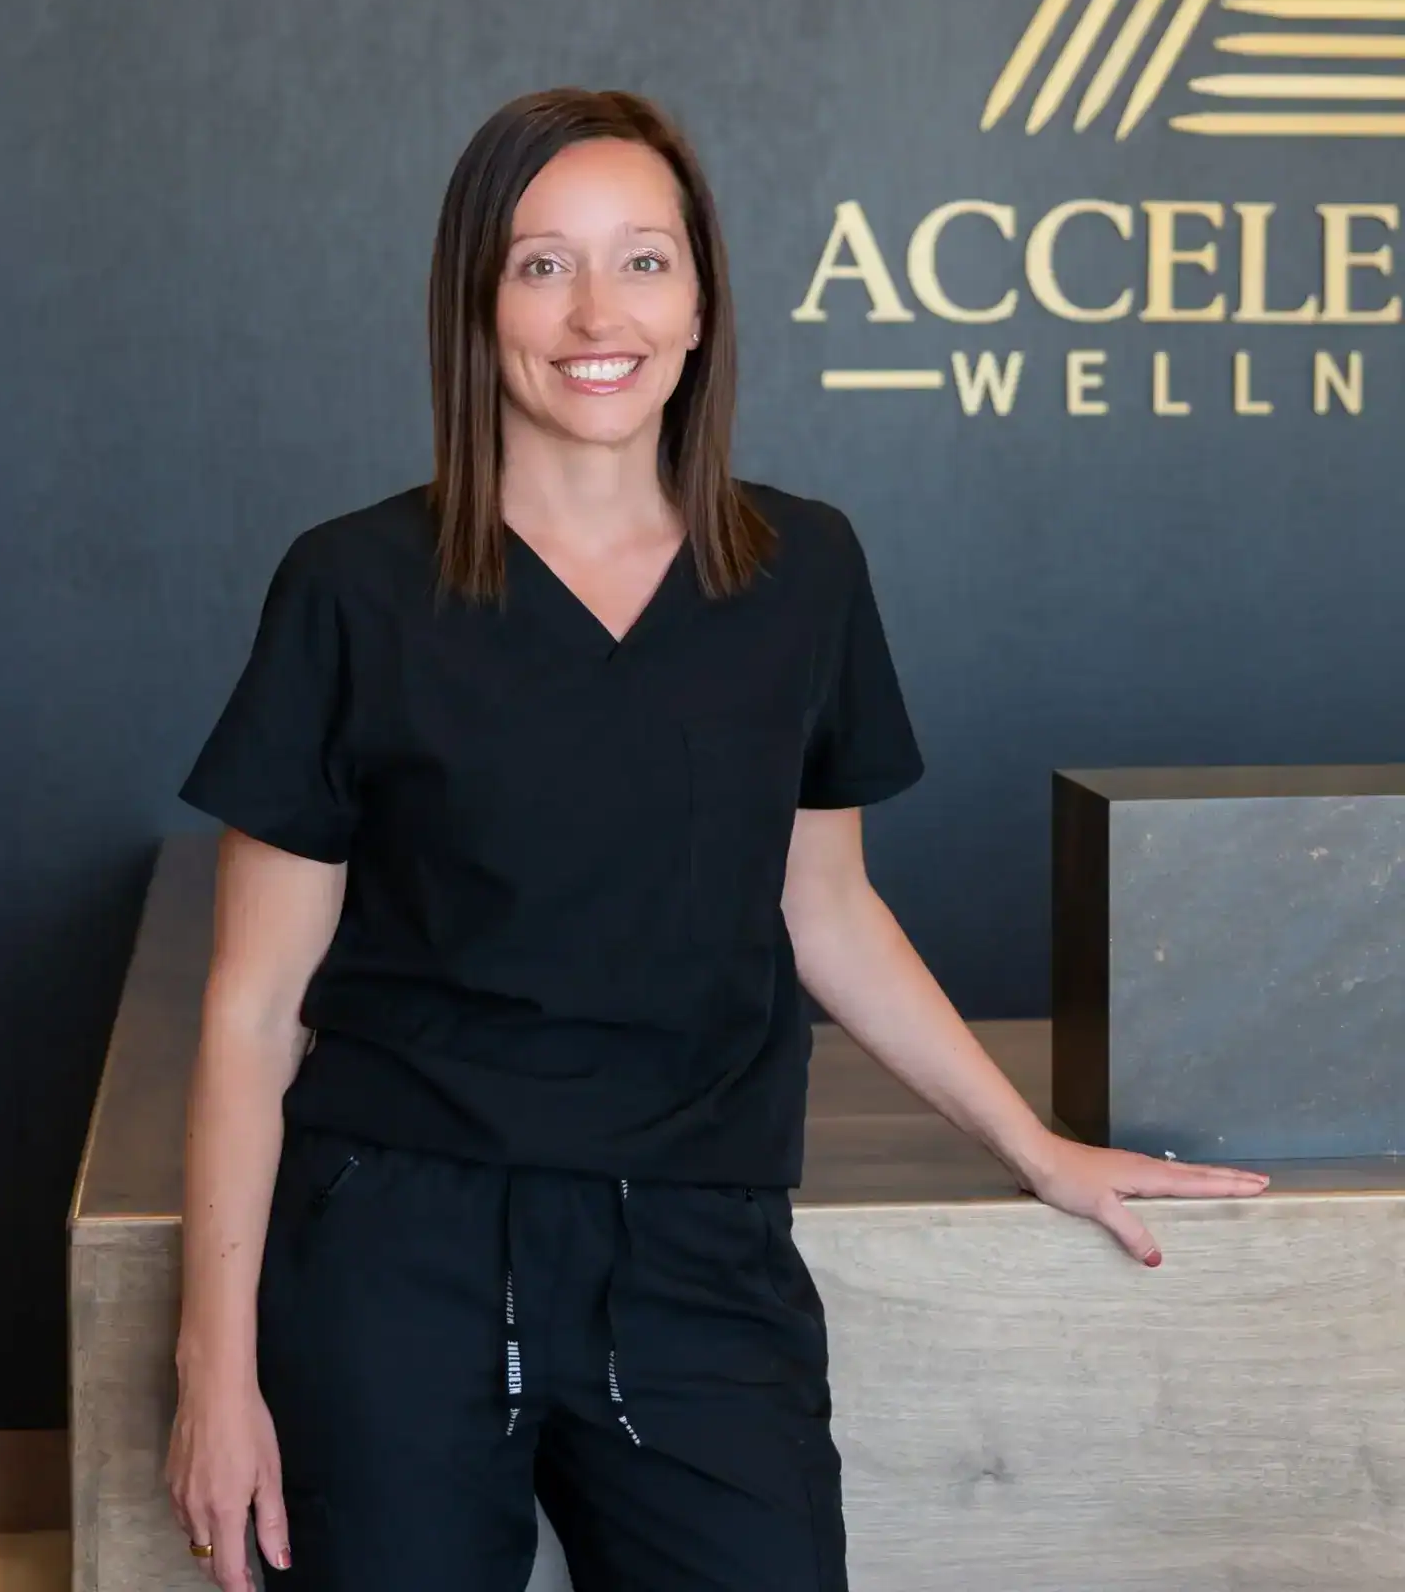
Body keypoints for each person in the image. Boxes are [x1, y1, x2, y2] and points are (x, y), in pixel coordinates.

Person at [165, 87, 1269, 1592]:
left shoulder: (801, 570)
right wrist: (213, 1378)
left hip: (698, 1246)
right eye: (543, 264)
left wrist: (1034, 1143)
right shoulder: (352, 587)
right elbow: (248, 1008)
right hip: (395, 1254)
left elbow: (825, 911)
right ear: (475, 303)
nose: (596, 312)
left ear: (701, 302)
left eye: (646, 259)